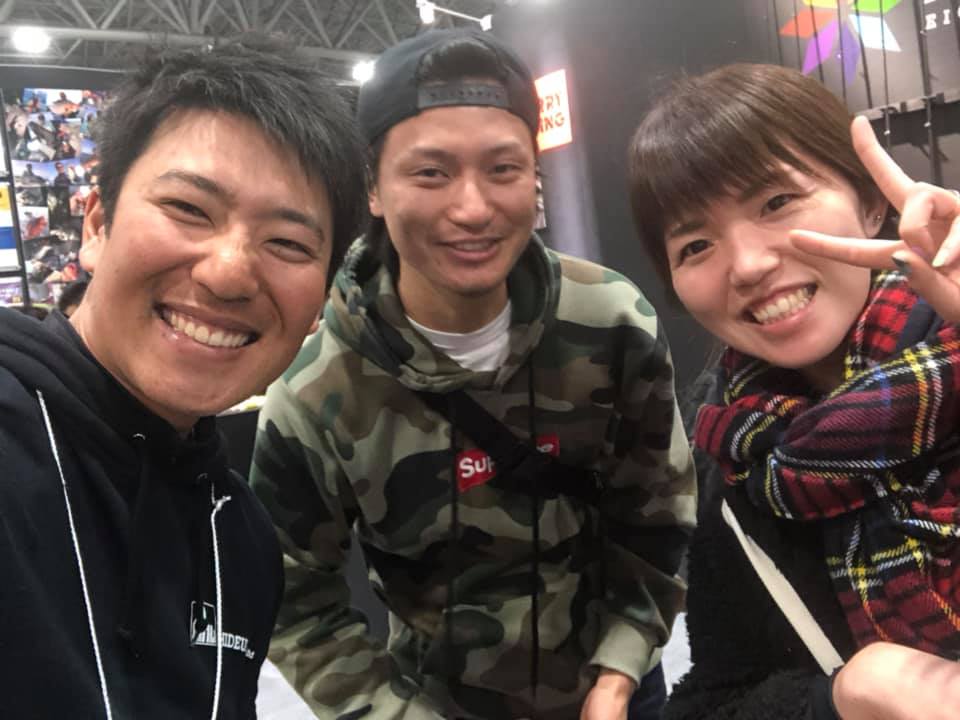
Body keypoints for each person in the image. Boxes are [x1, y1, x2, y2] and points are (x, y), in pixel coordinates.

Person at [250, 28, 696, 720]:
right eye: (431, 173)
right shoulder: (318, 391)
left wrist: (620, 672)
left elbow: (656, 514)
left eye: (503, 169)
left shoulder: (611, 322)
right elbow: (296, 603)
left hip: (618, 688)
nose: (473, 208)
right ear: (373, 187)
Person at [0, 41, 367, 717]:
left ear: (320, 300)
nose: (228, 273)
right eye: (189, 209)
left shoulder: (242, 541)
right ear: (97, 223)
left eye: (287, 243)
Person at [628, 63, 960, 720]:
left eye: (777, 202)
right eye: (696, 244)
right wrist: (847, 696)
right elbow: (711, 698)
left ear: (871, 201)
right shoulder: (730, 460)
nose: (749, 265)